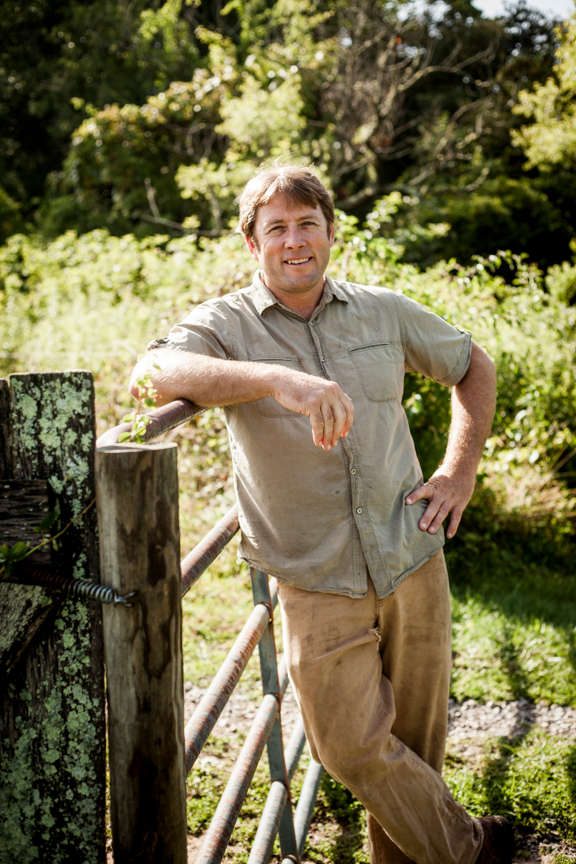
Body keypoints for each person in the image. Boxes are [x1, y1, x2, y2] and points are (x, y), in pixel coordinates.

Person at [130, 165, 513, 864]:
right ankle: (474, 848)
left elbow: (473, 365)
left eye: (308, 223)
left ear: (331, 231)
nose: (295, 240)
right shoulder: (226, 325)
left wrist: (458, 472)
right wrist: (278, 379)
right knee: (349, 746)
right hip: (314, 574)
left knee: (414, 750)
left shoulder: (383, 309)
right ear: (252, 244)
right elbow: (152, 373)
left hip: (412, 553)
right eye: (276, 227)